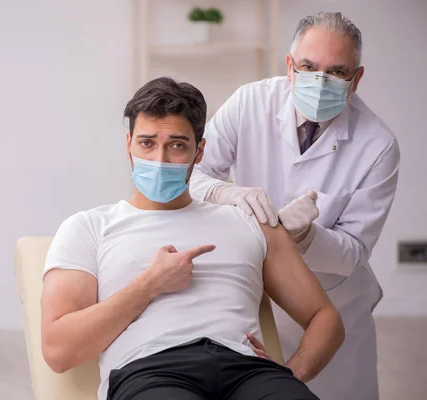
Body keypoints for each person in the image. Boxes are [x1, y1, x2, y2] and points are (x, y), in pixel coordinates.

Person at [40, 77, 345, 400]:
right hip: (151, 371)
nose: (159, 159)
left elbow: (325, 318)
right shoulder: (89, 227)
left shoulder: (249, 222)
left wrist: (291, 373)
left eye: (176, 145)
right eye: (146, 143)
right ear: (128, 144)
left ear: (199, 152)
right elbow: (58, 350)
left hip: (247, 371)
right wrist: (150, 284)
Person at [189, 11, 400, 400]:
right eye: (309, 66)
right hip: (253, 294)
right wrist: (226, 193)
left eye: (337, 71)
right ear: (290, 67)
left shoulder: (378, 145)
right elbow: (192, 175)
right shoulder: (249, 102)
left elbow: (353, 251)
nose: (320, 82)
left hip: (333, 303)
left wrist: (306, 236)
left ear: (356, 79)